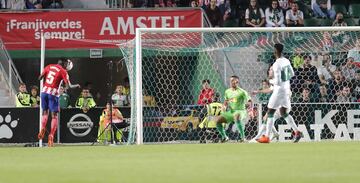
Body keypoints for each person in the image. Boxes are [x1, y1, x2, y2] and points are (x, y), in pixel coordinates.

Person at [257, 43, 302, 143]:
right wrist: (285, 80)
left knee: (270, 112)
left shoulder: (276, 64)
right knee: (283, 112)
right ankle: (297, 131)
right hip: (286, 89)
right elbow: (292, 73)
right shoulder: (286, 60)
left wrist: (270, 81)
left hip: (279, 91)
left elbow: (276, 81)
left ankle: (266, 137)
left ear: (275, 51)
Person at [37, 58, 80, 147]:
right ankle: (51, 135)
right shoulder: (63, 71)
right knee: (54, 115)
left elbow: (40, 78)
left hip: (44, 92)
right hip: (53, 94)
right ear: (64, 64)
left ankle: (43, 128)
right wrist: (76, 85)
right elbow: (69, 86)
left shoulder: (48, 66)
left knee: (45, 112)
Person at [214, 75, 253, 142]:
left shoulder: (242, 92)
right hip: (231, 111)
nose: (231, 82)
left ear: (237, 81)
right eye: (231, 81)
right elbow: (226, 102)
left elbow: (250, 101)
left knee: (236, 115)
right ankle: (225, 137)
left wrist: (250, 110)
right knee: (217, 120)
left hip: (241, 111)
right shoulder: (227, 91)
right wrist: (224, 107)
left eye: (233, 80)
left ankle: (242, 137)